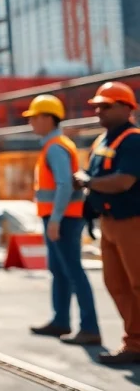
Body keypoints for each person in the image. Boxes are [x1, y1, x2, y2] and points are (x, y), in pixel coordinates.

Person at [21, 94, 100, 346]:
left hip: (63, 219)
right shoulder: (54, 145)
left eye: (34, 117)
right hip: (60, 218)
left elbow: (64, 185)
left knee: (73, 271)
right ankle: (61, 321)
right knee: (59, 270)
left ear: (47, 118)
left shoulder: (55, 147)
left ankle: (89, 327)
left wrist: (54, 220)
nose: (31, 122)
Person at [75, 82, 140, 364]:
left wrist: (89, 182)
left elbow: (124, 181)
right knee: (116, 283)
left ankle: (135, 343)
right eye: (97, 106)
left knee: (138, 284)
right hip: (109, 223)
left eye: (106, 106)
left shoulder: (133, 140)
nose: (99, 111)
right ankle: (135, 339)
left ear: (127, 108)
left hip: (133, 222)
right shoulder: (102, 141)